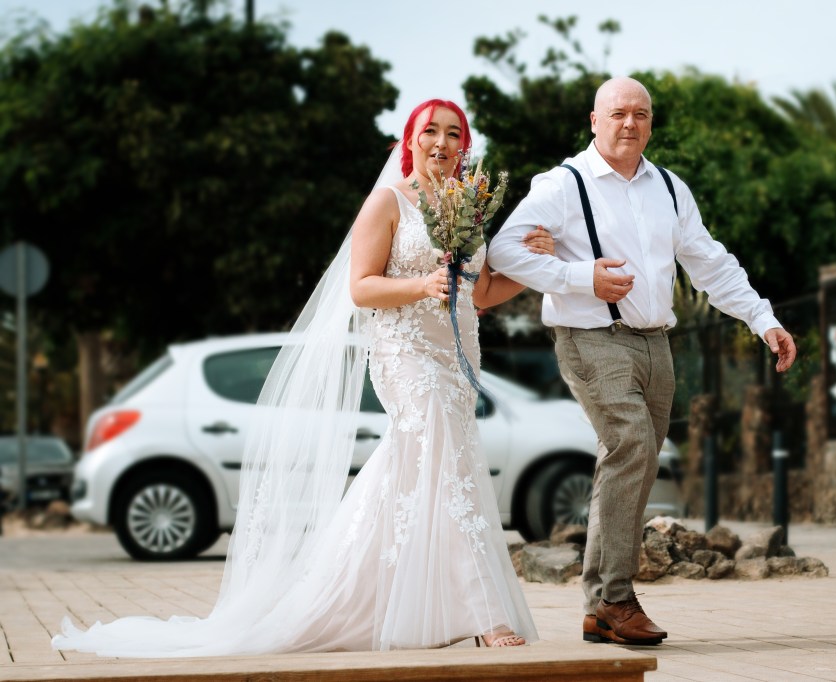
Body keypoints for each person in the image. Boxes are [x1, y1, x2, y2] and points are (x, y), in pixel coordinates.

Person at [52, 99, 543, 657]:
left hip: (456, 354)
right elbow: (361, 287)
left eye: (454, 134)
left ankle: (371, 597)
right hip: (404, 352)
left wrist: (527, 271)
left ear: (465, 146)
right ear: (408, 140)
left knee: (423, 470)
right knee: (446, 463)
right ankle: (483, 612)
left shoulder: (468, 210)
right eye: (430, 130)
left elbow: (478, 294)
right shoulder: (386, 202)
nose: (442, 142)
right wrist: (421, 286)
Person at [488, 77, 797, 647]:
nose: (630, 123)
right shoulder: (563, 185)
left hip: (656, 342)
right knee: (630, 445)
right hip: (590, 337)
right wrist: (582, 278)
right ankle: (616, 598)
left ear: (651, 123)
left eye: (642, 114)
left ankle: (598, 608)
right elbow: (504, 250)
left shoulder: (670, 188)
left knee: (635, 461)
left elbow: (709, 262)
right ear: (594, 120)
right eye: (618, 113)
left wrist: (763, 319)